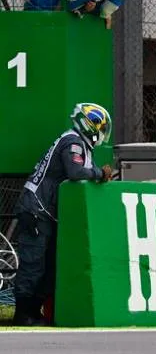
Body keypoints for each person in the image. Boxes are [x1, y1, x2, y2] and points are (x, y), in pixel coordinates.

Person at [13, 103, 114, 326]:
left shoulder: (82, 145)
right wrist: (100, 173)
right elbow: (76, 172)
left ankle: (35, 311)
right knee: (33, 263)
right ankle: (22, 314)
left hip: (47, 212)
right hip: (36, 208)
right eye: (101, 127)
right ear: (90, 125)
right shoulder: (73, 142)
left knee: (50, 264)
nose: (102, 134)